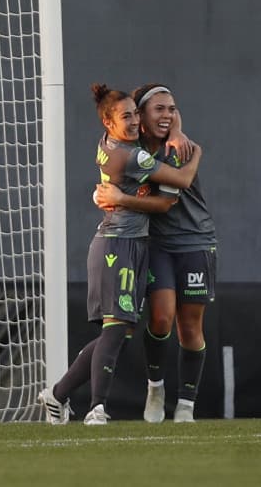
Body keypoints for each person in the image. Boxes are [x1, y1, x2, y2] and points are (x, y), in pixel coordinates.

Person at [38, 83, 202, 426]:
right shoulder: (132, 155)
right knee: (115, 330)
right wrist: (196, 151)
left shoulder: (110, 143)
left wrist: (178, 128)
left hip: (130, 244)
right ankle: (97, 407)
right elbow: (182, 181)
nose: (132, 122)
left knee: (118, 331)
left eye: (133, 115)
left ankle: (58, 394)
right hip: (118, 246)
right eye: (125, 117)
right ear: (108, 123)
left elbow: (166, 113)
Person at [93, 84, 217, 423]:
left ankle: (187, 406)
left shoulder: (179, 147)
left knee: (189, 327)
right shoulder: (130, 145)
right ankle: (155, 387)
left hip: (194, 241)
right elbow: (112, 158)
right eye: (158, 109)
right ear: (140, 115)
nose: (167, 116)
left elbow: (166, 201)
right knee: (161, 318)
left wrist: (119, 199)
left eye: (172, 110)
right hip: (157, 243)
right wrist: (102, 192)